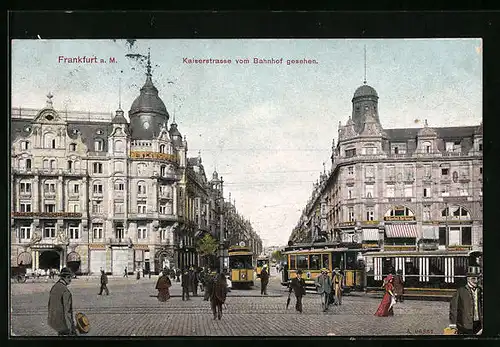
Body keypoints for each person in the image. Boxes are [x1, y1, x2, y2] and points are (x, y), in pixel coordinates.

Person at [449, 266, 483, 335]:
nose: (476, 281)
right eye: (473, 279)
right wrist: (453, 324)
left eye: (478, 278)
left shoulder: (480, 290)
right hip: (464, 325)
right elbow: (454, 308)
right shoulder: (460, 291)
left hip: (478, 323)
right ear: (468, 279)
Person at [48, 268, 77, 336]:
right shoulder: (65, 291)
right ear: (66, 277)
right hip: (64, 324)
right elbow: (67, 311)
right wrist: (71, 328)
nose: (70, 280)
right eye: (69, 277)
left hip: (54, 322)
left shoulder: (54, 287)